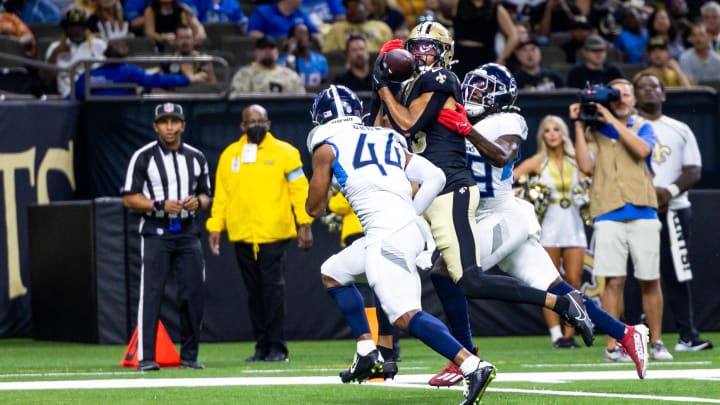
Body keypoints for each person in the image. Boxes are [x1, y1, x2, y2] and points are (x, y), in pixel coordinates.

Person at [371, 23, 594, 385]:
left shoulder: (442, 79)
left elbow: (408, 124)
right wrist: (380, 86)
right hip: (430, 192)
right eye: (415, 46)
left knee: (469, 280)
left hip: (453, 191)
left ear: (444, 51)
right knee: (431, 270)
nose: (419, 52)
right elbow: (385, 130)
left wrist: (383, 85)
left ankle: (560, 305)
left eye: (428, 46)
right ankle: (433, 355)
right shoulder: (411, 85)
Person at [430, 63, 648, 383]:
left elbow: (503, 155)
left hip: (500, 215)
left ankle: (464, 356)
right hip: (479, 216)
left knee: (447, 271)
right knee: (557, 287)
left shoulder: (507, 120)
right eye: (471, 85)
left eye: (482, 88)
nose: (472, 92)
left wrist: (466, 129)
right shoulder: (460, 116)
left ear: (499, 96)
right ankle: (626, 333)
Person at [305, 84, 496, 404]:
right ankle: (367, 352)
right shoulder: (386, 136)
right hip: (406, 227)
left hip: (387, 235)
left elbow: (314, 208)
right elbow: (434, 175)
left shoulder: (325, 146)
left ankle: (472, 365)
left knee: (404, 315)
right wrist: (410, 213)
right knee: (333, 272)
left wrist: (327, 175)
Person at [570, 78, 673, 362]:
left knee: (649, 279)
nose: (621, 98)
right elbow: (585, 166)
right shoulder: (593, 129)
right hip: (607, 211)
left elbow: (642, 151)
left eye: (626, 93)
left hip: (643, 210)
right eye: (615, 93)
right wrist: (579, 124)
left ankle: (657, 341)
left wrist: (612, 121)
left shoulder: (643, 126)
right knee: (613, 281)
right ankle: (614, 346)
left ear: (633, 100)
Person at [206, 104, 314, 362]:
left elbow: (299, 191)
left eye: (260, 120)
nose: (255, 124)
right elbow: (221, 195)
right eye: (250, 121)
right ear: (242, 126)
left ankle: (278, 347)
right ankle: (261, 346)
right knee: (254, 293)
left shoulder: (286, 152)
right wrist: (214, 227)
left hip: (273, 234)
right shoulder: (230, 154)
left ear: (269, 124)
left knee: (273, 291)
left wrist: (305, 224)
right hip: (242, 234)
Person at [121, 102, 211, 371]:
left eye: (174, 121)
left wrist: (198, 202)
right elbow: (129, 197)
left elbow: (207, 194)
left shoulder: (196, 157)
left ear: (183, 125)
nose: (169, 127)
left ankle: (189, 355)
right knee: (151, 294)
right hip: (156, 232)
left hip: (188, 232)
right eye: (164, 122)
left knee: (193, 294)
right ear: (155, 126)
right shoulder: (143, 156)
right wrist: (158, 205)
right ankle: (146, 357)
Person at [633, 73, 713, 352]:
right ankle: (634, 335)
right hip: (637, 209)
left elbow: (694, 170)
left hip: (675, 209)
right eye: (642, 87)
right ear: (634, 95)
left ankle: (687, 335)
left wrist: (668, 192)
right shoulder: (628, 129)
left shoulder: (680, 129)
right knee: (638, 273)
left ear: (663, 94)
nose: (649, 91)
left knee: (677, 272)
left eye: (654, 86)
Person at [513, 114, 587, 348]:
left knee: (574, 280)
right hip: (549, 224)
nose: (552, 134)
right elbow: (511, 180)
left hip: (574, 223)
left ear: (563, 134)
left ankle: (570, 334)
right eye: (547, 130)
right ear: (541, 135)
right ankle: (556, 335)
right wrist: (524, 195)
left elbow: (592, 177)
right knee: (551, 280)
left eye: (557, 129)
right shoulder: (537, 162)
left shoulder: (577, 161)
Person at [74, 38, 208, 99]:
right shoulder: (129, 71)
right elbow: (156, 80)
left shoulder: (87, 76)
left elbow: (71, 97)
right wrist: (189, 78)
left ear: (104, 54)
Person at [448, 0, 519, 80]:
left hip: (485, 56)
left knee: (483, 89)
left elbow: (513, 35)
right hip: (459, 56)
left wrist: (502, 58)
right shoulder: (457, 3)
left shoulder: (496, 8)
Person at [45, 7, 107, 97]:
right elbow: (47, 80)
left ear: (86, 27)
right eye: (72, 26)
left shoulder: (100, 45)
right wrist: (55, 54)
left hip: (94, 94)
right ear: (65, 28)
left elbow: (109, 73)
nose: (76, 30)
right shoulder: (55, 47)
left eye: (80, 26)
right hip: (66, 96)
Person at [229, 36, 305, 97]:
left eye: (271, 48)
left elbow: (301, 100)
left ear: (277, 52)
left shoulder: (291, 75)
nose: (268, 51)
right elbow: (236, 99)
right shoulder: (245, 74)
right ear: (256, 52)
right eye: (263, 48)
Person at [322, 0, 392, 53]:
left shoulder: (382, 27)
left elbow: (390, 53)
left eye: (355, 6)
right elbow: (328, 54)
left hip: (377, 65)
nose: (350, 10)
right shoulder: (336, 29)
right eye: (347, 7)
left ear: (365, 8)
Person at [278, 23, 328, 88]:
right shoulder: (282, 60)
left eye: (305, 33)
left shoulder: (321, 60)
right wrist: (291, 52)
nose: (303, 36)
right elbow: (288, 79)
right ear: (291, 39)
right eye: (299, 33)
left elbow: (323, 85)